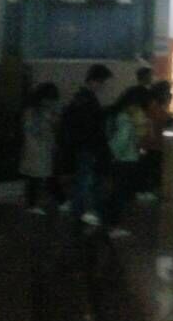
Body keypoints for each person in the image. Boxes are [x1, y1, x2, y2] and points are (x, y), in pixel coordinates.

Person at [60, 64, 114, 227]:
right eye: (102, 82)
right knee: (85, 180)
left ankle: (80, 212)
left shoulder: (81, 98)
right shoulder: (87, 99)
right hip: (87, 146)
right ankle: (81, 212)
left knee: (84, 179)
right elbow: (90, 125)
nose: (103, 86)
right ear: (94, 81)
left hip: (82, 145)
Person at [105, 86, 150, 238]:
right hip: (125, 161)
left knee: (116, 194)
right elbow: (121, 142)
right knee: (119, 195)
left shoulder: (116, 115)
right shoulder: (125, 120)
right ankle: (113, 226)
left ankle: (110, 223)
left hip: (119, 161)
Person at [20, 83, 61, 214]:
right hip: (39, 149)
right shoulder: (38, 112)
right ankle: (35, 204)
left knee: (37, 177)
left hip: (36, 149)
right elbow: (36, 130)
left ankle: (34, 203)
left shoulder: (33, 110)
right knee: (41, 176)